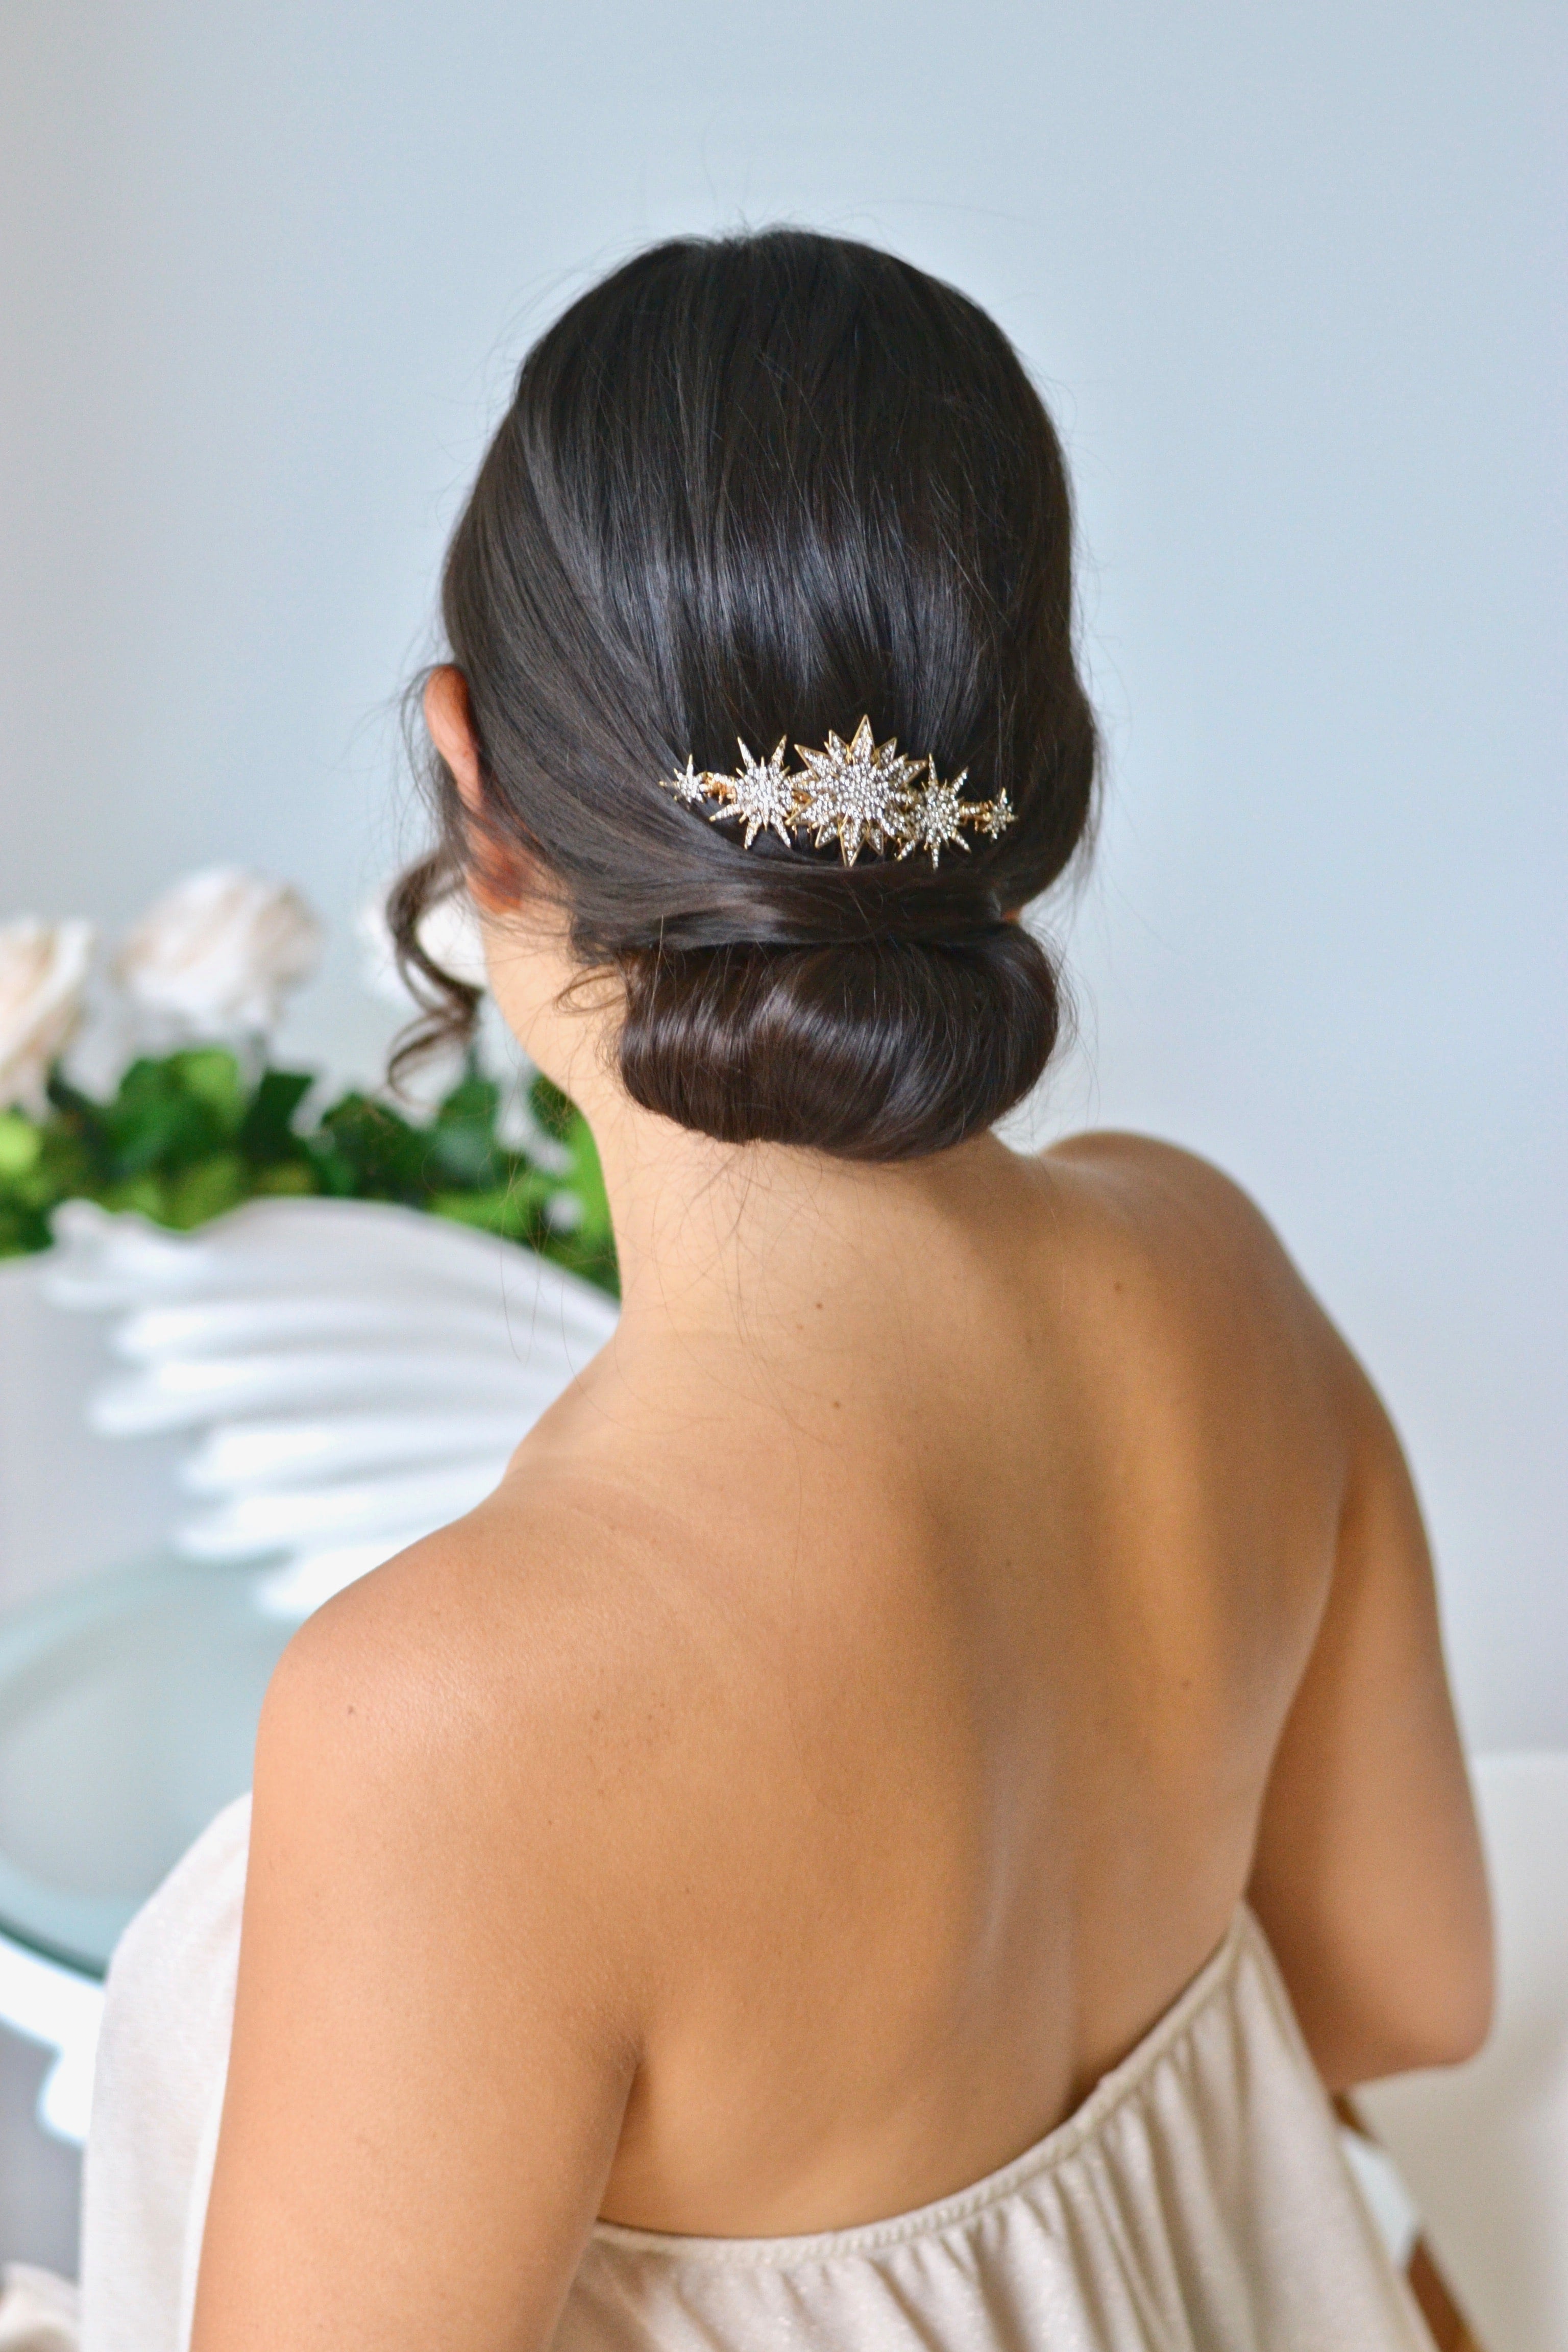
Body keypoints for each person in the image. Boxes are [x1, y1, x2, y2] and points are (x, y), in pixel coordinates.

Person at [79, 229, 1490, 2351]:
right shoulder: (1214, 1270)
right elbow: (1411, 1988)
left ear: (473, 767)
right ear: (1030, 775)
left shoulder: (455, 1713)